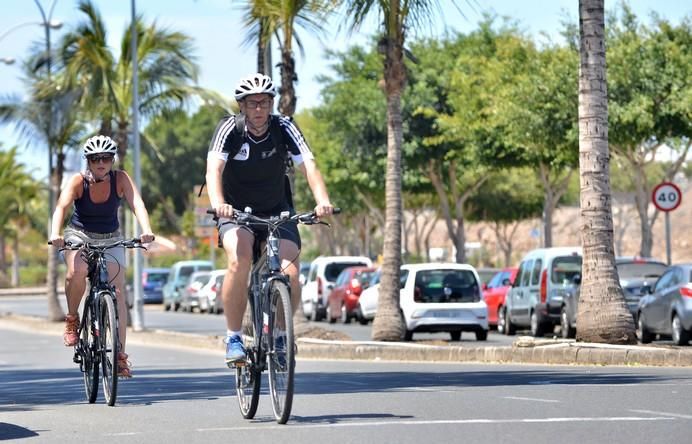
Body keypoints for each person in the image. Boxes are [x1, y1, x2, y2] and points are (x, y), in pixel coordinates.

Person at [206, 73, 334, 366]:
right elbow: (213, 170)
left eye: (265, 102)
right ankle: (234, 337)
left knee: (290, 272)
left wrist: (322, 201)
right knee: (239, 260)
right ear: (242, 106)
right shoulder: (230, 128)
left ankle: (279, 334)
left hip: (278, 210)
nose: (260, 109)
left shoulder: (284, 127)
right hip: (236, 212)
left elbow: (309, 166)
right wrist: (219, 204)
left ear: (272, 103)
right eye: (253, 104)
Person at [49, 135, 155, 378]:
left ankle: (119, 356)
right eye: (95, 159)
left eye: (106, 158)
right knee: (76, 272)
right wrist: (55, 234)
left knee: (118, 292)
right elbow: (61, 208)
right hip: (80, 235)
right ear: (88, 161)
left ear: (112, 160)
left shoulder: (121, 179)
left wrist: (146, 229)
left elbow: (137, 203)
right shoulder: (78, 181)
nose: (101, 163)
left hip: (110, 237)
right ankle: (73, 318)